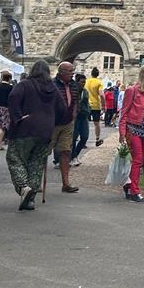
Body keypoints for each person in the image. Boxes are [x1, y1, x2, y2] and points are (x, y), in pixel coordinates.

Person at [6, 60, 63, 211]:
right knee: (36, 164)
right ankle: (29, 200)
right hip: (45, 131)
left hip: (25, 128)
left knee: (15, 158)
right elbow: (63, 109)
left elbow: (13, 98)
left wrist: (17, 117)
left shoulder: (25, 84)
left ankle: (24, 187)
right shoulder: (54, 89)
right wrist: (52, 121)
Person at [118, 64, 144, 204]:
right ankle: (135, 191)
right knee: (138, 159)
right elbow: (124, 112)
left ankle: (128, 185)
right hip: (133, 129)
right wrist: (122, 133)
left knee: (140, 160)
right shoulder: (132, 91)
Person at [49, 61, 80, 193]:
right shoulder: (52, 84)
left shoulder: (74, 85)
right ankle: (36, 182)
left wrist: (74, 115)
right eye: (70, 71)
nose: (72, 74)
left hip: (67, 123)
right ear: (61, 72)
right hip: (53, 124)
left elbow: (75, 101)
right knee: (43, 152)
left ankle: (65, 183)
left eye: (73, 71)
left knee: (66, 151)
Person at [70, 73, 90, 166]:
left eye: (84, 82)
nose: (83, 84)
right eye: (82, 82)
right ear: (77, 82)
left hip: (84, 116)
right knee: (74, 138)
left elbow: (86, 103)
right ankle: (73, 156)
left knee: (84, 137)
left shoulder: (85, 91)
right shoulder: (73, 91)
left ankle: (75, 155)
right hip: (76, 116)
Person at [85, 67, 104, 146]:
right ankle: (97, 139)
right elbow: (102, 94)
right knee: (96, 123)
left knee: (84, 122)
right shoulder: (99, 82)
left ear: (91, 74)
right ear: (98, 74)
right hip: (96, 105)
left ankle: (83, 141)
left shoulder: (86, 81)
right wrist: (104, 105)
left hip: (86, 104)